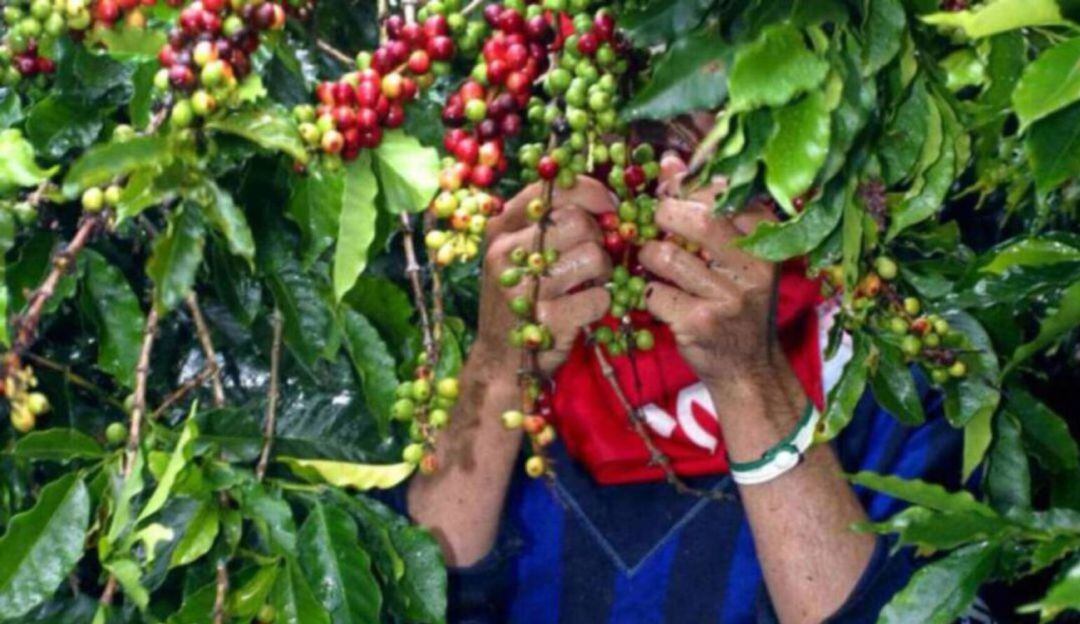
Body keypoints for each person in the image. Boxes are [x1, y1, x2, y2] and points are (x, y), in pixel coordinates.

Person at [404, 153, 986, 623]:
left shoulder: (907, 373)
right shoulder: (502, 308)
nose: (679, 173)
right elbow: (403, 597)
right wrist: (498, 369)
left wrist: (748, 381)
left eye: (738, 141)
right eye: (652, 134)